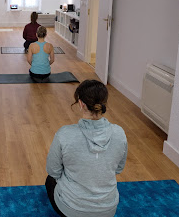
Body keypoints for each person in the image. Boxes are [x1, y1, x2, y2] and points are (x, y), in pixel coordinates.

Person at [45, 80, 128, 217]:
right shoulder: (120, 133)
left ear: (81, 104)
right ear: (104, 104)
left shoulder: (64, 134)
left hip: (72, 210)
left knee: (49, 180)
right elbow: (119, 168)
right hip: (108, 211)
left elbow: (53, 170)